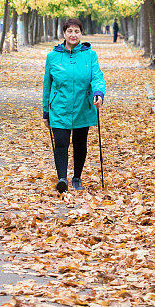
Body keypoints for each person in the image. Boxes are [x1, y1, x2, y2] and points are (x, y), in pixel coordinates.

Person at [42, 19, 105, 193]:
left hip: (82, 107)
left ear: (81, 34)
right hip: (59, 108)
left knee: (80, 144)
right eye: (69, 31)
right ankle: (62, 178)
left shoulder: (89, 55)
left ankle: (77, 177)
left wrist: (98, 93)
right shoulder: (52, 56)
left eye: (76, 31)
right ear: (64, 34)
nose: (73, 35)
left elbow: (97, 77)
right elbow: (47, 86)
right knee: (61, 143)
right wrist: (45, 112)